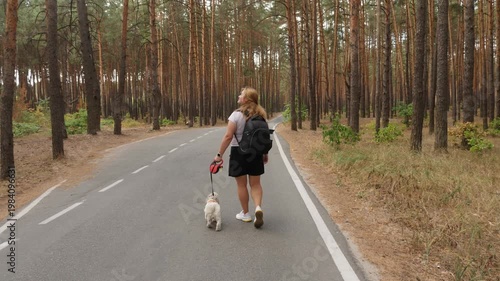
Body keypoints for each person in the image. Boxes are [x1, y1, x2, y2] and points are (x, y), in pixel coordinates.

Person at [213, 86, 269, 229]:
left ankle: (245, 213)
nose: (238, 96)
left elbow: (228, 136)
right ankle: (258, 208)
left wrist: (219, 155)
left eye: (241, 95)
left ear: (246, 99)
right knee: (256, 184)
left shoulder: (236, 115)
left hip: (239, 153)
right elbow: (262, 137)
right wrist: (264, 153)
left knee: (241, 185)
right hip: (256, 153)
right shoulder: (260, 115)